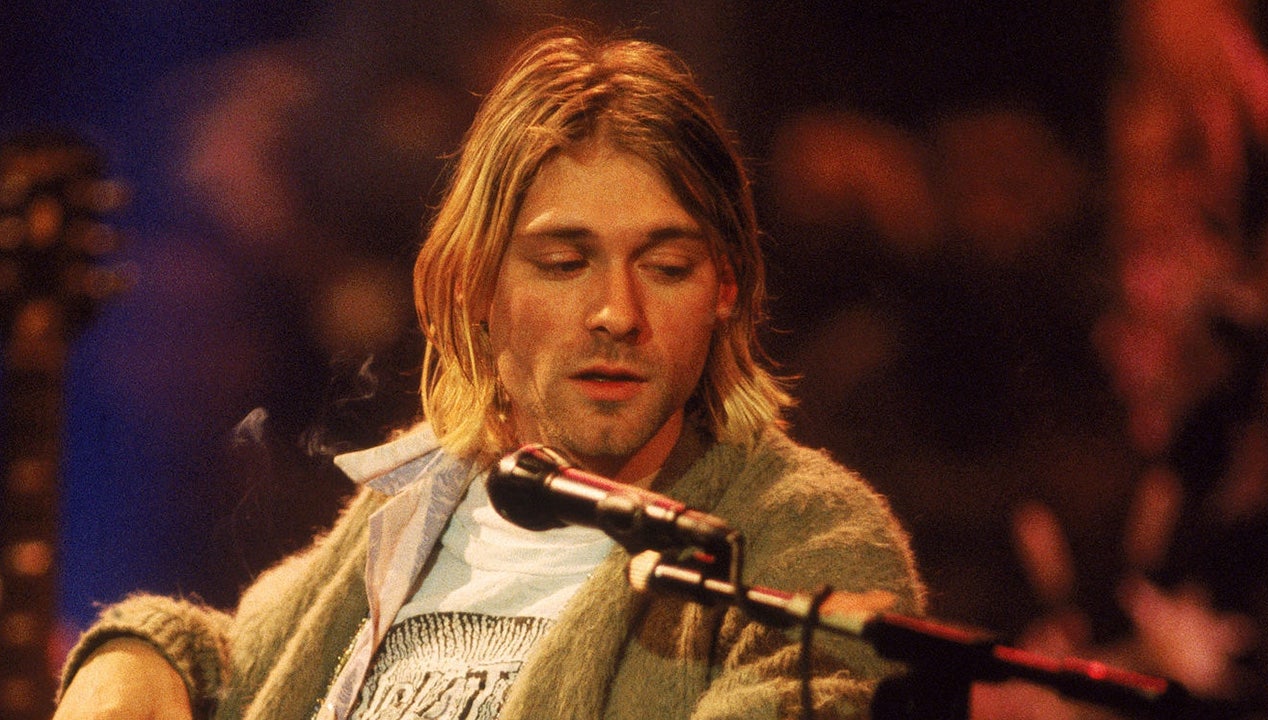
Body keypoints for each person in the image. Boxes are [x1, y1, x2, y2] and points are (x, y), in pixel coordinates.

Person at [52, 27, 925, 720]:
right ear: (475, 286)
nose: (617, 312)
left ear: (725, 290)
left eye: (666, 266)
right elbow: (234, 657)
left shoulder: (803, 534)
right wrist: (134, 656)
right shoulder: (418, 503)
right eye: (563, 263)